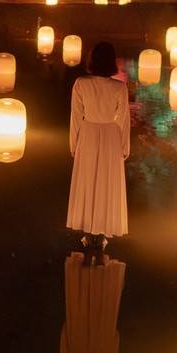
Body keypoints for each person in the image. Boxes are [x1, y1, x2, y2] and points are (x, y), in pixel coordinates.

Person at [67, 41, 130, 254]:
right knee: (106, 180)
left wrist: (74, 144)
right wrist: (123, 147)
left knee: (88, 178)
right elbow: (123, 119)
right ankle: (101, 231)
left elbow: (76, 117)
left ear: (91, 60)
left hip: (88, 133)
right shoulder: (119, 87)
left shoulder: (80, 83)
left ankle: (88, 230)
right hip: (111, 135)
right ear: (111, 62)